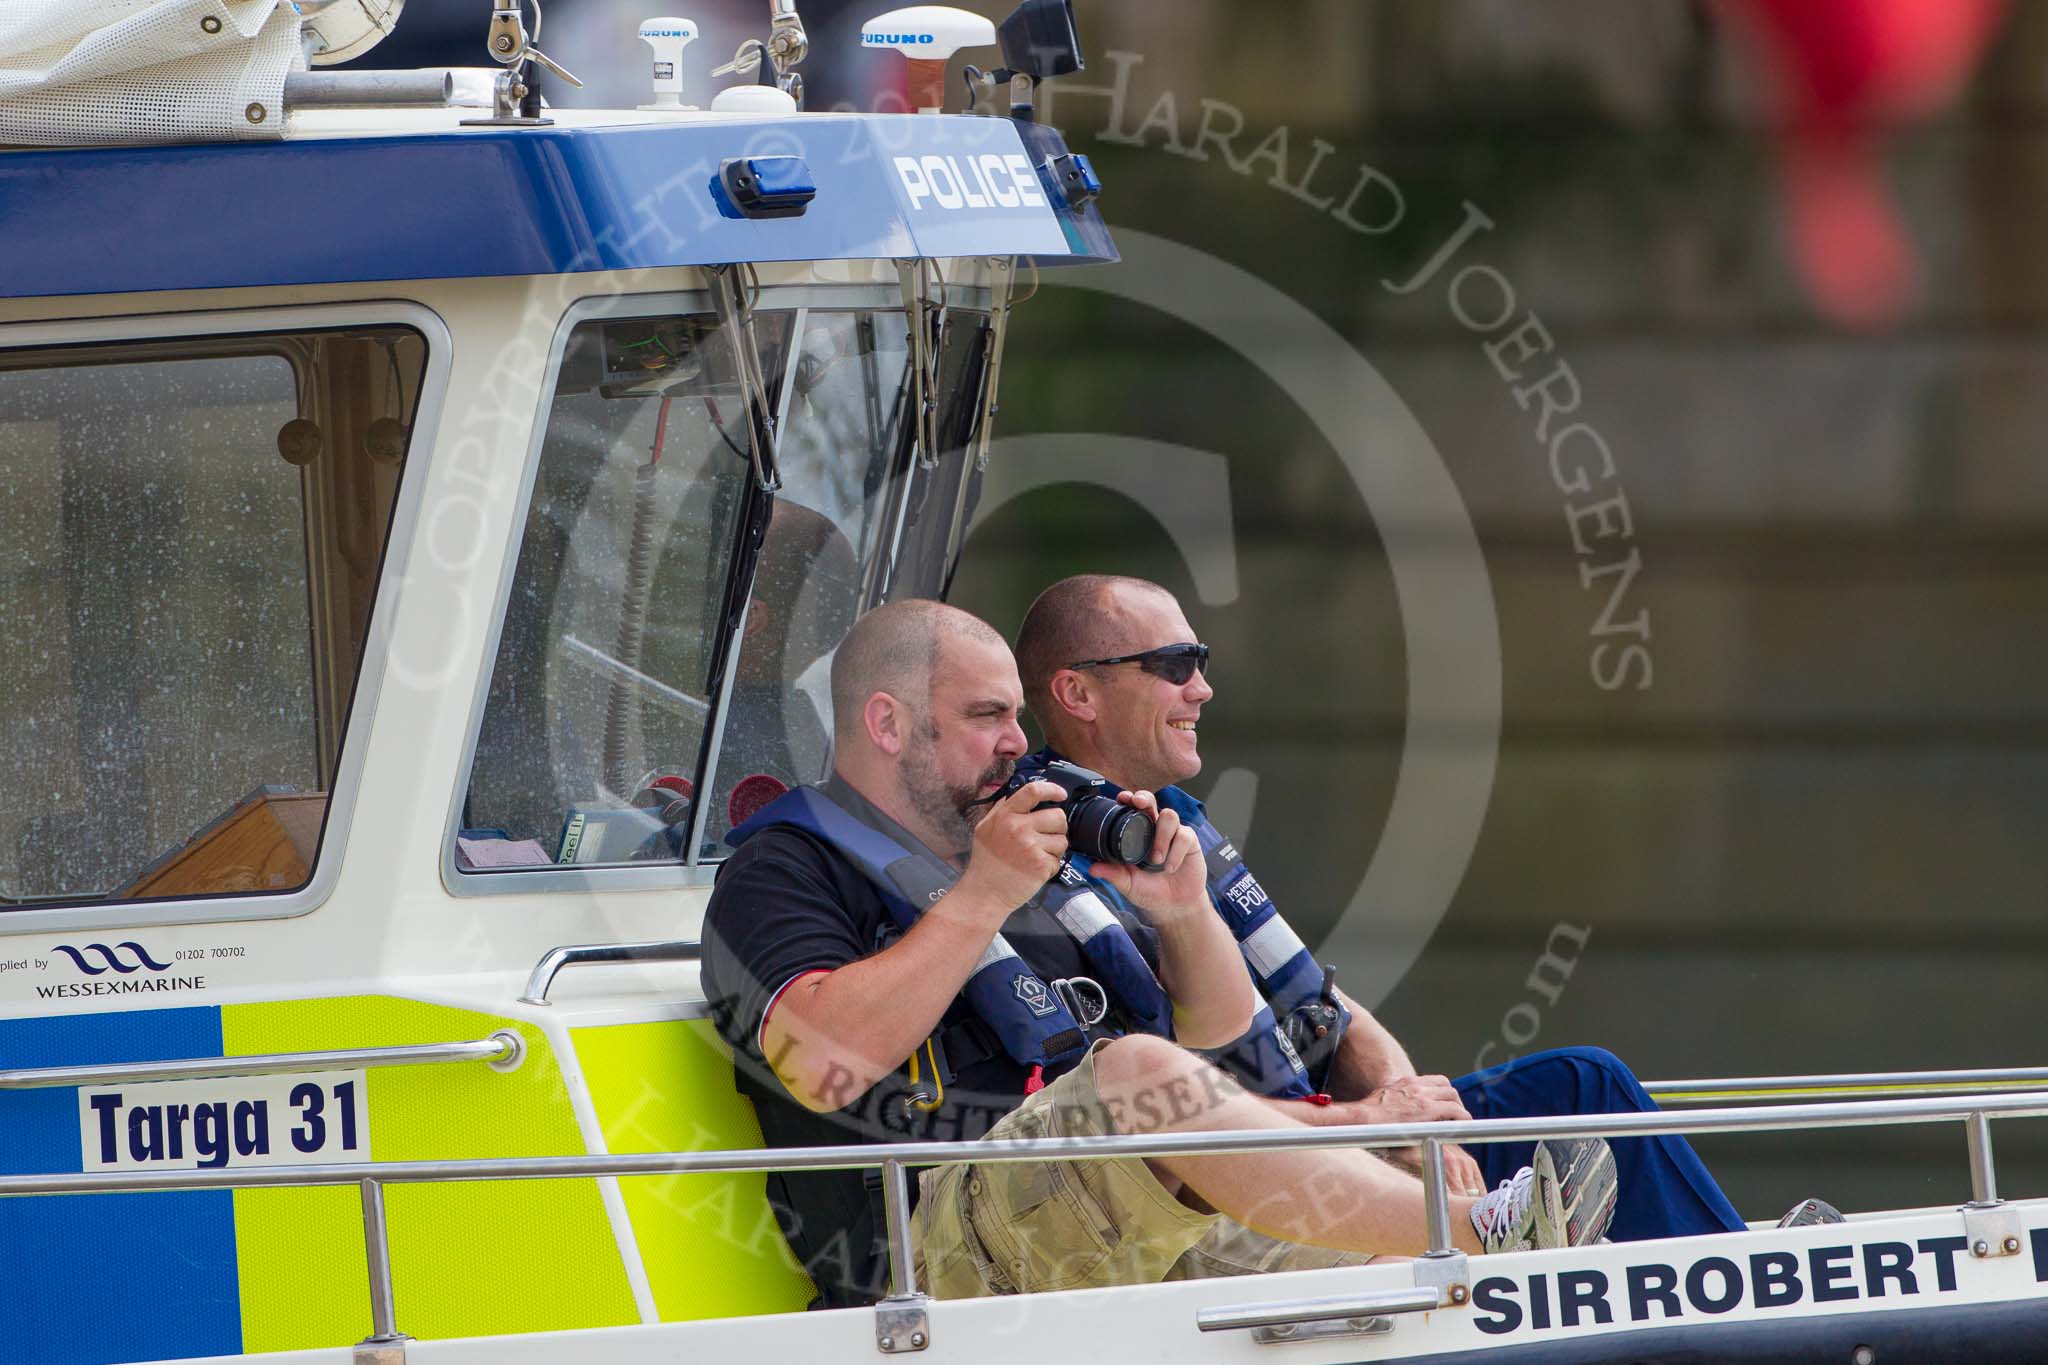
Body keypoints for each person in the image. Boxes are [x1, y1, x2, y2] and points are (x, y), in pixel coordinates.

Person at [700, 599, 1619, 1308]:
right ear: (888, 725)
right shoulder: (786, 868)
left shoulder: (1023, 844)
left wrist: (1183, 915)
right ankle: (1488, 1230)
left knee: (1394, 1280)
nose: (1020, 744)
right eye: (986, 716)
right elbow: (818, 1065)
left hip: (1110, 1205)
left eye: (1019, 716)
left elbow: (1222, 1072)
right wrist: (983, 894)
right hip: (924, 1250)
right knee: (1136, 1069)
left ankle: (1685, 1266)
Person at [1012, 573, 1792, 1254]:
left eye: (1202, 661)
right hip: (1267, 1168)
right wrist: (1369, 1123)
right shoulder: (1039, 855)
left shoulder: (1177, 815)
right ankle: (1740, 1287)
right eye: (1175, 665)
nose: (1203, 687)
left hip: (1346, 1121)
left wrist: (1421, 1122)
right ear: (1079, 692)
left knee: (1585, 1081)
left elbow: (1326, 1003)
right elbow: (1169, 1107)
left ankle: (1742, 1277)